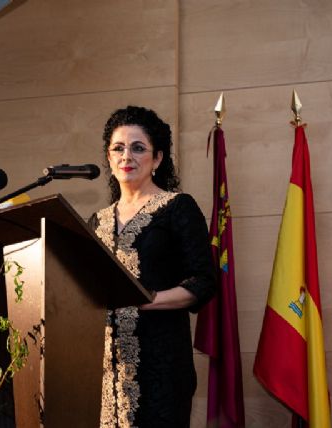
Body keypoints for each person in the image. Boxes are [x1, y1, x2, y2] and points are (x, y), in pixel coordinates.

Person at [88, 106, 216, 427]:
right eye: (118, 148)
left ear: (157, 159)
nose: (126, 156)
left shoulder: (177, 208)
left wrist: (144, 300)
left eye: (138, 148)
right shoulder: (97, 221)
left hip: (161, 366)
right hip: (106, 369)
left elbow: (204, 281)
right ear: (108, 157)